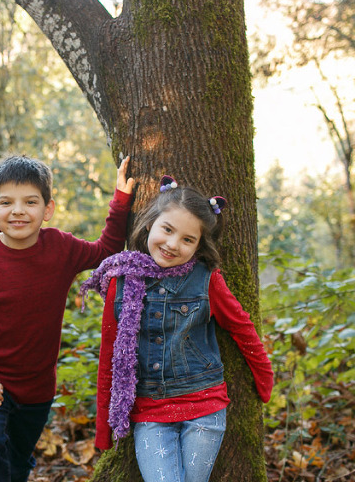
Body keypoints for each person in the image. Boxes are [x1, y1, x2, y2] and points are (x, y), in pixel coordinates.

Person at [0, 154, 135, 482]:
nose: (18, 210)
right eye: (6, 202)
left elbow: (106, 251)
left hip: (36, 389)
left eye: (30, 202)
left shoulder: (61, 248)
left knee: (16, 465)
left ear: (47, 209)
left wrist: (120, 201)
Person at [80, 175, 274, 482]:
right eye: (167, 230)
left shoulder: (206, 279)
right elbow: (110, 358)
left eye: (187, 239)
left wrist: (264, 378)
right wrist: (104, 428)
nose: (172, 244)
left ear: (199, 245)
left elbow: (242, 328)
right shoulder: (122, 282)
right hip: (150, 412)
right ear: (149, 225)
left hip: (204, 407)